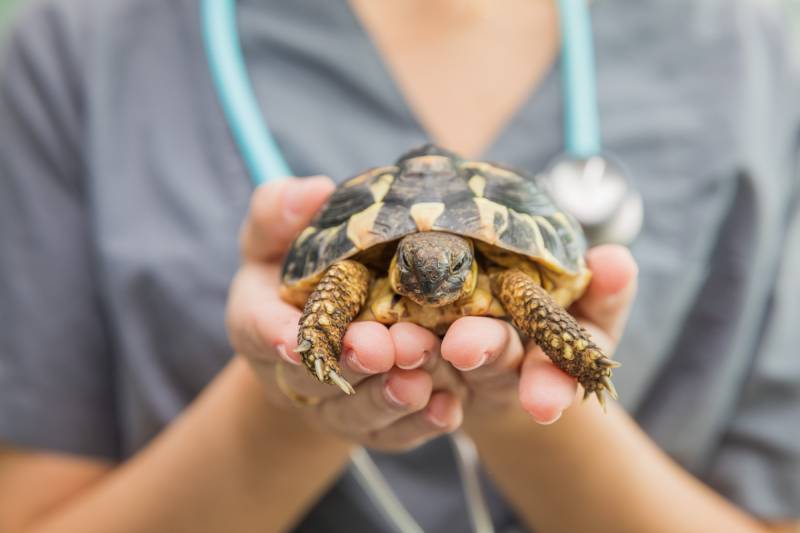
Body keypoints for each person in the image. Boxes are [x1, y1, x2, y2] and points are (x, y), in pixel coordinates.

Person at [0, 0, 798, 531]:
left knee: (527, 297)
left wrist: (536, 403)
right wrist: (289, 401)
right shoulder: (80, 45)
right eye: (414, 270)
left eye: (442, 272)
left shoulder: (754, 57)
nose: (426, 283)